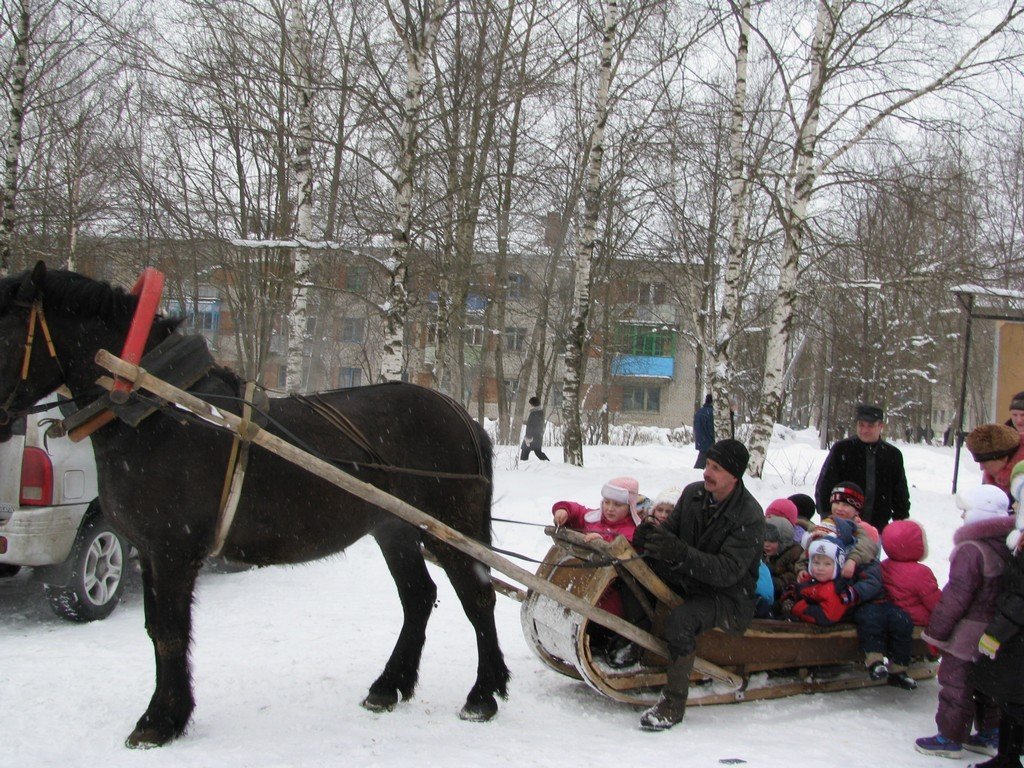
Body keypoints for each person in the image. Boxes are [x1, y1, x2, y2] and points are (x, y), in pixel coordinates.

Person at [631, 438, 764, 731]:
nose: (707, 472)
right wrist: (649, 536)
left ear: (734, 475)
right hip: (689, 579)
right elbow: (670, 533)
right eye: (707, 464)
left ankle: (673, 703)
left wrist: (678, 553)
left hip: (728, 598)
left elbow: (727, 572)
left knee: (681, 620)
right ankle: (630, 645)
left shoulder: (750, 516)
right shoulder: (693, 494)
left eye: (716, 468)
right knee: (633, 572)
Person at [915, 485, 1015, 760]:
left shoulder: (971, 549)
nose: (962, 517)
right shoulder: (1007, 543)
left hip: (968, 631)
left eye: (966, 512)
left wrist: (936, 632)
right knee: (988, 683)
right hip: (996, 630)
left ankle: (949, 737)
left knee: (955, 683)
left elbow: (957, 596)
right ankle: (990, 732)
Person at [970, 462, 1024, 768]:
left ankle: (1008, 759)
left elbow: (1021, 597)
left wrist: (994, 634)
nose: (1014, 506)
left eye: (1019, 500)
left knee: (1014, 700)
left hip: (1017, 637)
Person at [814, 403, 911, 534]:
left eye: (870, 426)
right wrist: (826, 515)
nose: (864, 430)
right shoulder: (842, 449)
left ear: (880, 426)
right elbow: (824, 485)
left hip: (877, 528)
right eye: (861, 425)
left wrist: (900, 523)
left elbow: (900, 494)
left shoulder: (892, 455)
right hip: (842, 526)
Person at [880, 519, 941, 628]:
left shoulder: (883, 566)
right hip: (916, 618)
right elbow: (935, 603)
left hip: (892, 615)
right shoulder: (921, 572)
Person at [780, 537, 850, 626]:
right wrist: (790, 596)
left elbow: (826, 616)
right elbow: (799, 590)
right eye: (816, 563)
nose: (820, 568)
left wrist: (797, 607)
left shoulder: (836, 589)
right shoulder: (809, 580)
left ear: (838, 565)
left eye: (827, 564)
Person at [551, 476, 641, 543]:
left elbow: (624, 549)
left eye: (617, 504)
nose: (610, 509)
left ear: (630, 508)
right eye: (606, 502)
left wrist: (602, 541)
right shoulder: (594, 518)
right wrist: (564, 510)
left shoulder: (633, 532)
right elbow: (578, 511)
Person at [966, 423, 1024, 498]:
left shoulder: (1021, 483)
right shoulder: (991, 480)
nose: (981, 468)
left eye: (985, 463)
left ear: (1004, 458)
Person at [762, 516, 801, 607]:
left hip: (783, 597)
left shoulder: (794, 555)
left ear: (783, 542)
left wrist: (767, 580)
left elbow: (790, 580)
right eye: (764, 540)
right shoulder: (761, 554)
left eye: (772, 541)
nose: (766, 544)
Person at [520, 396, 550, 461]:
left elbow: (531, 426)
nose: (529, 405)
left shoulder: (534, 413)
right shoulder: (539, 412)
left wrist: (528, 437)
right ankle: (547, 463)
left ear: (533, 404)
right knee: (537, 452)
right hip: (537, 436)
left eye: (530, 404)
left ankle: (522, 466)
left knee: (525, 452)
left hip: (532, 437)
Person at [693, 394, 715, 469]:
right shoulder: (711, 413)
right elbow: (711, 429)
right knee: (702, 462)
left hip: (700, 439)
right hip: (709, 441)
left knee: (703, 459)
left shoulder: (699, 412)